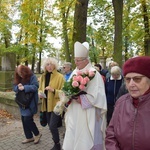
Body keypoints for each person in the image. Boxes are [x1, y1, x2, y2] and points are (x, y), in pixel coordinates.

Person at [62, 41, 107, 150]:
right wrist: (67, 96)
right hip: (74, 111)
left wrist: (81, 99)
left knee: (85, 137)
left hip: (87, 112)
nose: (76, 63)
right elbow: (68, 87)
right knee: (73, 135)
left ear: (86, 60)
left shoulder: (93, 73)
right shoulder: (75, 71)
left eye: (78, 60)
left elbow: (98, 95)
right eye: (75, 60)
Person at [105, 56, 150, 150]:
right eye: (128, 79)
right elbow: (111, 134)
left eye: (137, 79)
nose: (131, 84)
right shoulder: (121, 102)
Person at [38, 57, 65, 150]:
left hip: (56, 106)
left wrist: (53, 90)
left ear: (55, 65)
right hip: (45, 105)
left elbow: (64, 92)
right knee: (50, 126)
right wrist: (40, 93)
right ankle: (56, 144)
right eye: (47, 64)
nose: (49, 66)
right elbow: (40, 88)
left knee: (53, 126)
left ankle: (57, 144)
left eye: (51, 64)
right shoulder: (42, 76)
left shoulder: (60, 77)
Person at [13, 65, 42, 144]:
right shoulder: (18, 77)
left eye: (21, 73)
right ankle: (29, 137)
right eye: (18, 73)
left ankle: (37, 134)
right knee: (24, 119)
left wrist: (25, 88)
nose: (20, 75)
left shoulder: (32, 76)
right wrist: (17, 87)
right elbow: (14, 87)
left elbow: (35, 86)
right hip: (22, 102)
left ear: (25, 71)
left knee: (27, 119)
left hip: (30, 102)